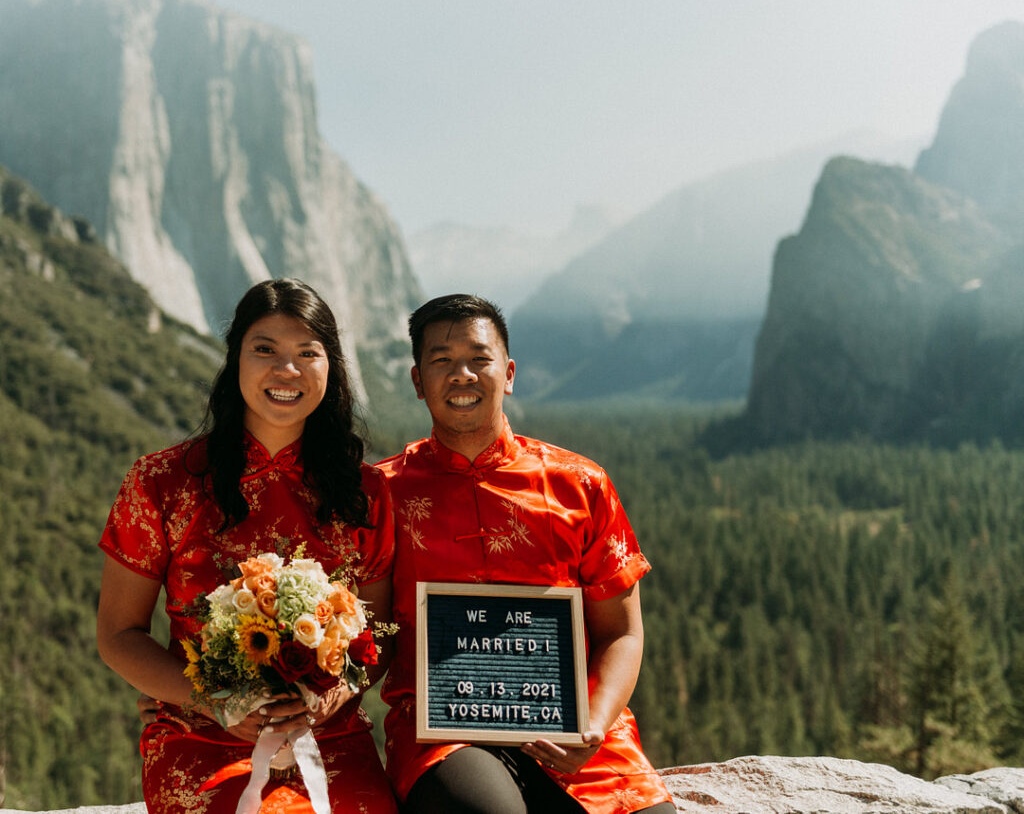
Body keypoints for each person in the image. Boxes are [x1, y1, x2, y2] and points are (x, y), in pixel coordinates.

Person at [96, 278, 398, 814]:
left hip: (328, 736)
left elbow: (376, 636)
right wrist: (212, 701)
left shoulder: (366, 493)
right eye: (266, 350)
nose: (287, 370)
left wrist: (325, 699)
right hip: (201, 734)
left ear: (332, 367)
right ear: (234, 359)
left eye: (308, 353)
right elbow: (119, 634)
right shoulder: (163, 482)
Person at [377, 294, 674, 814]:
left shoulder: (580, 484)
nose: (462, 375)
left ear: (509, 373)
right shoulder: (383, 492)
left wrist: (594, 724)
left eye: (479, 358)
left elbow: (621, 631)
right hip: (442, 733)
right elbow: (369, 635)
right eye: (441, 361)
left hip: (575, 728)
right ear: (417, 381)